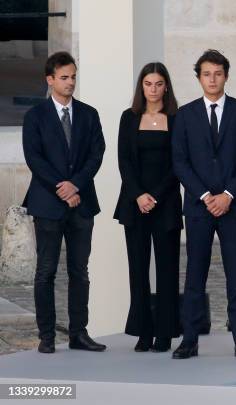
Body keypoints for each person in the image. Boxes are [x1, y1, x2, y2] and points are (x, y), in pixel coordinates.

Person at [171, 49, 236, 360]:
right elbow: (179, 162)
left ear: (226, 76)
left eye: (218, 73)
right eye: (206, 74)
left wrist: (228, 195)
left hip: (232, 206)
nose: (212, 79)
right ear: (198, 78)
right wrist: (207, 196)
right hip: (199, 207)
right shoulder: (185, 114)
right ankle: (189, 340)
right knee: (195, 274)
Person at [22, 51, 106, 353]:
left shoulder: (89, 114)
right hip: (47, 204)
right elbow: (34, 158)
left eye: (73, 77)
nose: (70, 83)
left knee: (79, 271)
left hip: (82, 203)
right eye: (64, 78)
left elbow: (97, 153)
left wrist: (76, 185)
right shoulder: (35, 116)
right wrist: (62, 188)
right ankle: (46, 335)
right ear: (50, 80)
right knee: (45, 270)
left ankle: (78, 333)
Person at [113, 62, 182, 353]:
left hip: (165, 203)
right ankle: (143, 331)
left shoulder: (178, 119)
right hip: (134, 204)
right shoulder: (128, 118)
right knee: (138, 270)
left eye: (158, 84)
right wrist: (140, 195)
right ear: (141, 87)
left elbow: (179, 163)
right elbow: (124, 161)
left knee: (167, 270)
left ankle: (165, 332)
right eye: (147, 84)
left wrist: (154, 195)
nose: (153, 89)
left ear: (166, 86)